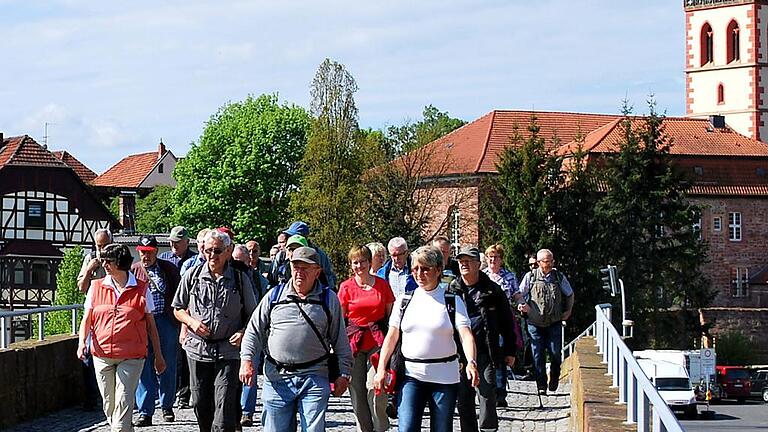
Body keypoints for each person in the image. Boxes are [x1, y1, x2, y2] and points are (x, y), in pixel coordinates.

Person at [240, 246, 353, 432]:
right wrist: (247, 361)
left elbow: (340, 339)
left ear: (317, 272)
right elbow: (253, 331)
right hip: (277, 377)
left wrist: (344, 373)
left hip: (315, 376)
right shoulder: (274, 296)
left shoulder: (328, 299)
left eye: (305, 268)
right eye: (295, 267)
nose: (299, 272)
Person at [373, 246, 479, 432]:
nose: (419, 274)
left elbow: (466, 335)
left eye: (425, 269)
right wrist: (381, 368)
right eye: (415, 269)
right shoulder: (404, 301)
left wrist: (471, 362)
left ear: (438, 270)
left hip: (445, 377)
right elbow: (391, 336)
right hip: (411, 376)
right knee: (406, 428)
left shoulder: (452, 301)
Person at [172, 230, 257, 432]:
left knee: (225, 405)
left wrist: (243, 332)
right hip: (198, 350)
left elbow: (253, 316)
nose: (212, 255)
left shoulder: (239, 278)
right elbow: (177, 308)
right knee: (200, 403)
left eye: (217, 250)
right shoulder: (192, 275)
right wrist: (191, 323)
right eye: (207, 250)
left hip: (228, 351)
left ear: (228, 251)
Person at [76, 243, 166, 432]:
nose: (104, 264)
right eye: (103, 260)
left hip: (132, 355)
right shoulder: (96, 287)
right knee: (109, 404)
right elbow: (87, 319)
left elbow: (151, 326)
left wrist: (158, 355)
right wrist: (81, 343)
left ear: (121, 262)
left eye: (109, 260)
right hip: (101, 354)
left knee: (124, 401)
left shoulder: (141, 289)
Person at [450, 247, 517, 432]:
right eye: (461, 261)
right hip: (460, 352)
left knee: (487, 391)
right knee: (463, 397)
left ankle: (488, 429)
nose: (463, 264)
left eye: (468, 261)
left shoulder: (492, 290)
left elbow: (506, 321)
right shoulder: (452, 289)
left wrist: (511, 350)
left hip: (487, 349)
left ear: (478, 265)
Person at [338, 245, 395, 432]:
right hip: (353, 343)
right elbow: (339, 319)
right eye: (355, 262)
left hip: (377, 342)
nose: (359, 265)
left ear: (370, 262)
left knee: (376, 388)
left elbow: (391, 317)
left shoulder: (382, 285)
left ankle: (380, 427)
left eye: (363, 261)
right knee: (357, 391)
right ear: (351, 265)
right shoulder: (346, 287)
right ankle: (364, 429)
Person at [131, 235, 182, 427]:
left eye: (149, 252)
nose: (146, 256)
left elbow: (179, 294)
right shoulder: (134, 271)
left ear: (156, 252)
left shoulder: (168, 269)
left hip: (165, 321)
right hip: (142, 323)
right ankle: (145, 411)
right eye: (143, 252)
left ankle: (167, 405)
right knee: (143, 365)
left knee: (167, 363)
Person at [516, 249, 575, 394]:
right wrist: (523, 305)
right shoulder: (530, 277)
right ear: (538, 263)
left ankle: (554, 376)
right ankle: (541, 385)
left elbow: (570, 294)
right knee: (537, 355)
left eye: (551, 261)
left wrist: (568, 310)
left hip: (554, 322)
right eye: (546, 262)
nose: (549, 264)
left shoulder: (559, 277)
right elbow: (519, 294)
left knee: (555, 353)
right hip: (534, 323)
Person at [232, 244, 269, 427]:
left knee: (250, 370)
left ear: (249, 261)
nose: (237, 264)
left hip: (252, 331)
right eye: (235, 260)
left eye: (241, 261)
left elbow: (262, 308)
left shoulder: (258, 279)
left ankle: (247, 411)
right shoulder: (229, 276)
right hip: (230, 333)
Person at [76, 228, 112, 411]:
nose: (102, 249)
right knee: (87, 357)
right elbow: (81, 288)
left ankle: (106, 396)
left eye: (105, 245)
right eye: (99, 246)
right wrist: (90, 269)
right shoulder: (90, 258)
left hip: (112, 315)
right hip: (93, 314)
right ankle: (91, 398)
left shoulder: (116, 258)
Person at [482, 243, 521, 406]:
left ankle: (500, 393)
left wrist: (522, 304)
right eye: (489, 257)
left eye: (495, 257)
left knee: (500, 356)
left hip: (503, 319)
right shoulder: (481, 275)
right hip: (484, 320)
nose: (492, 260)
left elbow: (517, 294)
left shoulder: (509, 276)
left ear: (501, 259)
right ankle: (485, 390)